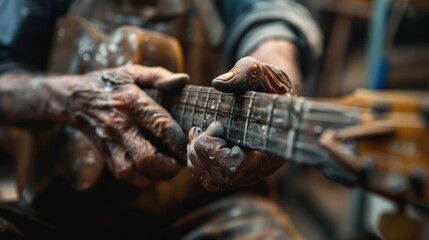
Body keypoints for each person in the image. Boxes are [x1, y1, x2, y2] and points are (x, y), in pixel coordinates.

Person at [0, 0, 322, 239]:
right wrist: (72, 99)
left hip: (199, 210)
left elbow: (270, 18)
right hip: (59, 209)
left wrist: (275, 75)